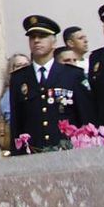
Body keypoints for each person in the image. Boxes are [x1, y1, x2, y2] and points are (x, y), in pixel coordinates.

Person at [7, 14, 92, 153]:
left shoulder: (72, 75)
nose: (36, 41)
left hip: (67, 151)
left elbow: (86, 118)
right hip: (33, 153)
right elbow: (17, 123)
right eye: (32, 37)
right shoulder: (19, 78)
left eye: (42, 36)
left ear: (54, 42)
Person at [0, 50, 29, 154]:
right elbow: (11, 120)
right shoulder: (10, 93)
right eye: (19, 65)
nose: (23, 68)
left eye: (26, 65)